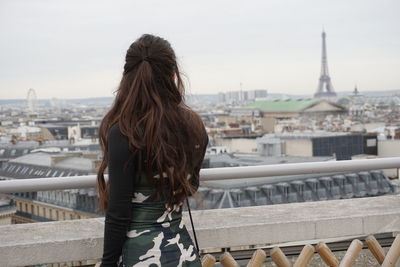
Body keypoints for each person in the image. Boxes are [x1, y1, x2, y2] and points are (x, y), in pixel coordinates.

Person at [97, 34, 208, 267]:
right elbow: (191, 186)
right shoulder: (194, 127)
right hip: (183, 253)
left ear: (127, 78)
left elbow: (119, 213)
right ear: (173, 75)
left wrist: (107, 263)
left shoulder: (123, 133)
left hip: (140, 255)